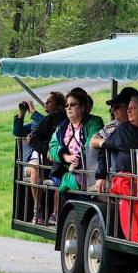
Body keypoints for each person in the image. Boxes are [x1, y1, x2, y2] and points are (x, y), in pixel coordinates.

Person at [94, 95, 138, 241]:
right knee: (127, 191)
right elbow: (105, 150)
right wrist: (100, 176)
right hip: (125, 176)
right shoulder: (122, 129)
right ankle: (136, 237)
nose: (128, 111)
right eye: (128, 108)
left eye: (133, 109)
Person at [46, 91, 105, 224]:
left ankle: (76, 219)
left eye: (73, 104)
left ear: (83, 107)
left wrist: (77, 160)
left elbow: (91, 141)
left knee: (75, 186)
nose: (69, 108)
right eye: (66, 105)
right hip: (66, 168)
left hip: (88, 168)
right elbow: (52, 146)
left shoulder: (94, 121)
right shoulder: (62, 127)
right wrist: (66, 157)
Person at [16, 92, 66, 224]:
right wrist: (21, 114)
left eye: (50, 101)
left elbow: (47, 123)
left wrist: (33, 112)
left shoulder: (57, 120)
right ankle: (37, 209)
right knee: (35, 167)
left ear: (60, 106)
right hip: (36, 161)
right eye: (46, 101)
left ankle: (53, 212)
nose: (46, 103)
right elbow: (17, 131)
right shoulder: (37, 123)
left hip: (51, 161)